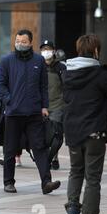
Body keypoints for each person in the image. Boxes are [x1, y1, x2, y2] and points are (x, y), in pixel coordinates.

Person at [0, 29, 60, 194]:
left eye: (23, 42)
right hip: (13, 113)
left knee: (40, 147)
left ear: (30, 43)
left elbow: (43, 86)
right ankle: (8, 182)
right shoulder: (6, 60)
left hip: (34, 113)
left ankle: (46, 182)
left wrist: (44, 106)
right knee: (10, 149)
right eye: (17, 41)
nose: (19, 44)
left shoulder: (39, 60)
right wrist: (9, 100)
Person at [63, 34, 107, 214]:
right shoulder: (100, 74)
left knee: (75, 171)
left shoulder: (66, 73)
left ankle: (73, 209)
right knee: (92, 178)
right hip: (94, 132)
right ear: (95, 51)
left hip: (73, 131)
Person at [40, 40, 66, 170]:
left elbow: (67, 86)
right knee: (44, 135)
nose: (46, 52)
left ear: (54, 51)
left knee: (56, 134)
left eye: (48, 49)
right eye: (43, 49)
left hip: (57, 106)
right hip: (42, 106)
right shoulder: (38, 65)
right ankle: (47, 158)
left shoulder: (61, 67)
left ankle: (53, 157)